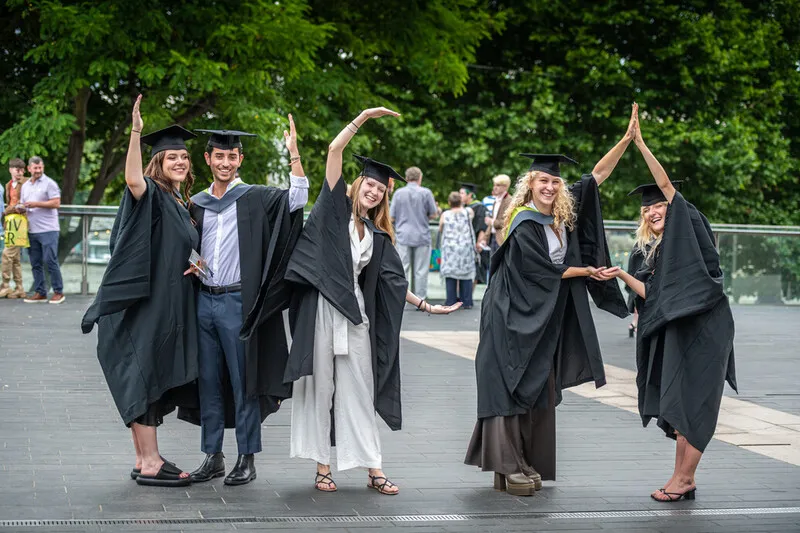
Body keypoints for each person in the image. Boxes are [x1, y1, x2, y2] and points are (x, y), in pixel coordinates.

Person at [284, 107, 460, 496]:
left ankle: (373, 468)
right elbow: (333, 150)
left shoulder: (375, 233)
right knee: (322, 390)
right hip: (323, 311)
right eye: (370, 184)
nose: (375, 190)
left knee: (360, 391)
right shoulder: (332, 211)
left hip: (355, 316)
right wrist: (363, 117)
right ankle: (323, 467)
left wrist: (427, 306)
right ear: (358, 183)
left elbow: (388, 283)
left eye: (381, 189)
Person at [464, 106, 636, 497]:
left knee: (536, 381)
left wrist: (626, 141)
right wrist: (589, 271)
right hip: (510, 314)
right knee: (508, 381)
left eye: (554, 182)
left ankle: (521, 462)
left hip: (538, 315)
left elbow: (596, 177)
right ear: (531, 183)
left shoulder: (559, 217)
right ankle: (508, 466)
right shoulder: (523, 220)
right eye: (543, 180)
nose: (550, 186)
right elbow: (543, 271)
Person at [594, 105, 737, 502]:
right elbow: (651, 294)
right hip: (677, 327)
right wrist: (621, 274)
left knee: (698, 401)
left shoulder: (689, 223)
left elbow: (671, 191)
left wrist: (639, 144)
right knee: (677, 402)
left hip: (706, 326)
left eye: (659, 204)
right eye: (647, 208)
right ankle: (681, 476)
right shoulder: (649, 251)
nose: (654, 210)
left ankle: (685, 478)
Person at [81, 95, 199, 487]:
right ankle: (150, 461)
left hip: (166, 303)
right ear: (158, 164)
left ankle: (142, 457)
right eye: (171, 158)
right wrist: (135, 131)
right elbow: (132, 178)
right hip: (147, 305)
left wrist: (197, 264)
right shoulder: (150, 192)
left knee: (145, 375)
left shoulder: (177, 202)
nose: (179, 161)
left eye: (183, 157)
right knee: (145, 376)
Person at [181, 122, 308, 486]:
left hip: (238, 301)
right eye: (218, 156)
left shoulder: (255, 197)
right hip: (203, 300)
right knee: (208, 381)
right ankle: (212, 455)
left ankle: (246, 457)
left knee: (244, 381)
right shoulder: (196, 203)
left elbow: (298, 197)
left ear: (240, 158)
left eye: (231, 156)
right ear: (207, 159)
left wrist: (293, 151)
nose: (225, 162)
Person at [389, 166, 438, 302]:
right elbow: (434, 214)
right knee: (421, 270)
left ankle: (402, 297)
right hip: (421, 235)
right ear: (419, 178)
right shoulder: (426, 193)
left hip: (403, 235)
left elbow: (391, 217)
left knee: (402, 268)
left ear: (406, 178)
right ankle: (420, 299)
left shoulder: (398, 193)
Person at [20, 156, 64, 304]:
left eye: (40, 168)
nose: (38, 170)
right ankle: (41, 292)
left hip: (48, 230)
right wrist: (21, 208)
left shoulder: (49, 183)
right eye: (35, 168)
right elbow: (24, 203)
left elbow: (56, 203)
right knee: (35, 263)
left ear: (43, 167)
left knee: (50, 260)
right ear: (29, 168)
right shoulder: (25, 185)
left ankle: (58, 292)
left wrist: (36, 204)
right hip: (32, 230)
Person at [438, 191, 476, 307]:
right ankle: (467, 301)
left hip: (450, 248)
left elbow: (440, 228)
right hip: (465, 247)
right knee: (466, 273)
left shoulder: (445, 214)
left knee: (450, 274)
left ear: (449, 202)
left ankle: (451, 300)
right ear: (461, 201)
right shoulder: (468, 212)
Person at [0, 158, 28, 299]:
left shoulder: (27, 183)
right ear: (10, 169)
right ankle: (19, 288)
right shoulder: (8, 185)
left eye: (22, 170)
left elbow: (21, 205)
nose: (20, 172)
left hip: (21, 223)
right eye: (17, 169)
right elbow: (11, 203)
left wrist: (7, 210)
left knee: (7, 254)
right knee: (15, 258)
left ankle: (5, 285)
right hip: (11, 223)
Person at [459, 183, 488, 290]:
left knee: (474, 271)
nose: (459, 195)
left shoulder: (480, 207)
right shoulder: (465, 208)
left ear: (470, 195)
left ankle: (468, 297)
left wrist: (480, 242)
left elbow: (482, 227)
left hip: (475, 244)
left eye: (462, 193)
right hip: (465, 244)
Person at [487, 174, 512, 251]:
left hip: (502, 239)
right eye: (494, 185)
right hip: (493, 237)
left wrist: (492, 222)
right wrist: (486, 237)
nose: (494, 187)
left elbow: (507, 222)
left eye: (498, 185)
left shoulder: (509, 201)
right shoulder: (496, 200)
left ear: (505, 186)